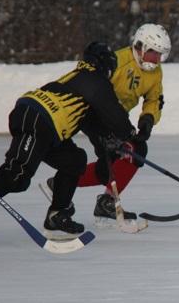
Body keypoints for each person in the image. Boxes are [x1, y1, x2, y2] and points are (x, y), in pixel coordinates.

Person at [0, 42, 137, 240]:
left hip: (46, 125)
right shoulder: (94, 80)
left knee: (74, 160)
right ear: (107, 66)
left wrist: (108, 141)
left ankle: (58, 214)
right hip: (39, 119)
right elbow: (116, 117)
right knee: (18, 174)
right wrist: (129, 135)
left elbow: (92, 124)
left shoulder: (80, 80)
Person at [40, 24, 170, 227]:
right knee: (123, 153)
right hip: (94, 114)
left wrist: (147, 120)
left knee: (115, 163)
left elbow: (154, 99)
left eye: (160, 55)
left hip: (117, 120)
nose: (157, 59)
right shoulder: (117, 61)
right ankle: (105, 201)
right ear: (140, 46)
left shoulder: (155, 72)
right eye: (154, 53)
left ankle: (61, 185)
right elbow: (91, 86)